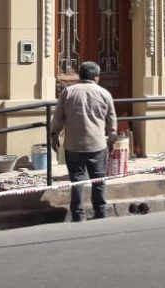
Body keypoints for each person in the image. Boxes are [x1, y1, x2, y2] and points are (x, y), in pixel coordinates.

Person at [50, 61, 117, 222]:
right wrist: (111, 140)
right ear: (96, 77)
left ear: (80, 75)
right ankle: (100, 212)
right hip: (97, 145)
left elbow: (58, 117)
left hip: (74, 145)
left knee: (77, 180)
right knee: (98, 179)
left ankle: (78, 214)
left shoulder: (68, 92)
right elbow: (111, 121)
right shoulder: (104, 94)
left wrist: (54, 136)